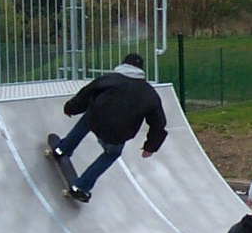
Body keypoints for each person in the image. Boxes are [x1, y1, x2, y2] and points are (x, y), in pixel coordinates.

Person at [53, 53, 168, 202]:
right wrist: (150, 146)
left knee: (90, 114)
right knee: (111, 154)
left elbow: (85, 94)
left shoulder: (108, 79)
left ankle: (63, 148)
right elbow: (158, 123)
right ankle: (81, 187)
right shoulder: (150, 94)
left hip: (96, 121)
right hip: (118, 135)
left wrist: (70, 108)